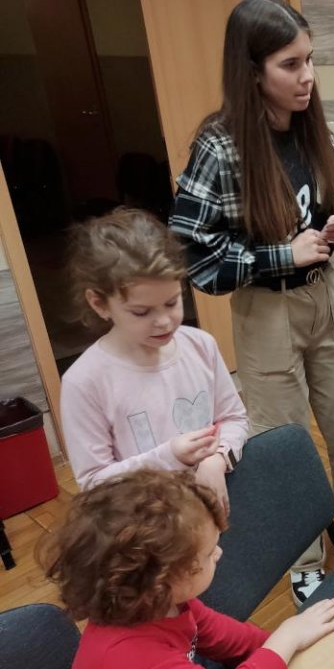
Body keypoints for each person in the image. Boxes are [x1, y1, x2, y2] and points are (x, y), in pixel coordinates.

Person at [168, 0, 334, 606]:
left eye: (310, 60)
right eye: (291, 64)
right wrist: (279, 256)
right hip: (266, 313)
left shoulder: (317, 127)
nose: (307, 76)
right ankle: (303, 562)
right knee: (284, 444)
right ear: (252, 69)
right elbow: (195, 259)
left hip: (326, 298)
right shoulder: (220, 146)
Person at [44, 469, 334, 669]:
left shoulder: (166, 603)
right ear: (161, 579)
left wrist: (292, 645)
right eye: (206, 554)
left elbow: (235, 640)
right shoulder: (125, 653)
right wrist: (287, 638)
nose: (218, 553)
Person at [60, 209, 248, 514]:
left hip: (211, 510)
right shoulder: (85, 382)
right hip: (147, 529)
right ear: (99, 303)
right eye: (141, 312)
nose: (163, 322)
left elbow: (234, 419)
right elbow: (94, 484)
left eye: (172, 302)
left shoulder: (200, 345)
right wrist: (169, 457)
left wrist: (217, 459)